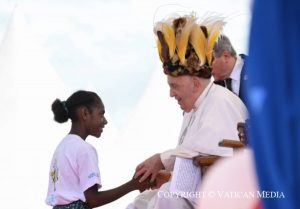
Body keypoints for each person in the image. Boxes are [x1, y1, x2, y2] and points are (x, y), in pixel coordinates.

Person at [126, 13, 248, 209]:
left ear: (194, 82)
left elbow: (219, 166)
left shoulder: (221, 103)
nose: (171, 94)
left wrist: (162, 160)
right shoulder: (194, 109)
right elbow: (195, 158)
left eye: (174, 86)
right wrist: (168, 173)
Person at [45, 90, 151, 209]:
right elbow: (93, 200)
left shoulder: (62, 147)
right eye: (101, 114)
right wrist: (133, 185)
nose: (105, 121)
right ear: (85, 113)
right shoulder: (84, 149)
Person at [212, 35, 248, 103]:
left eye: (210, 61)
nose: (207, 66)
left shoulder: (258, 71)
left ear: (226, 56)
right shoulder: (213, 87)